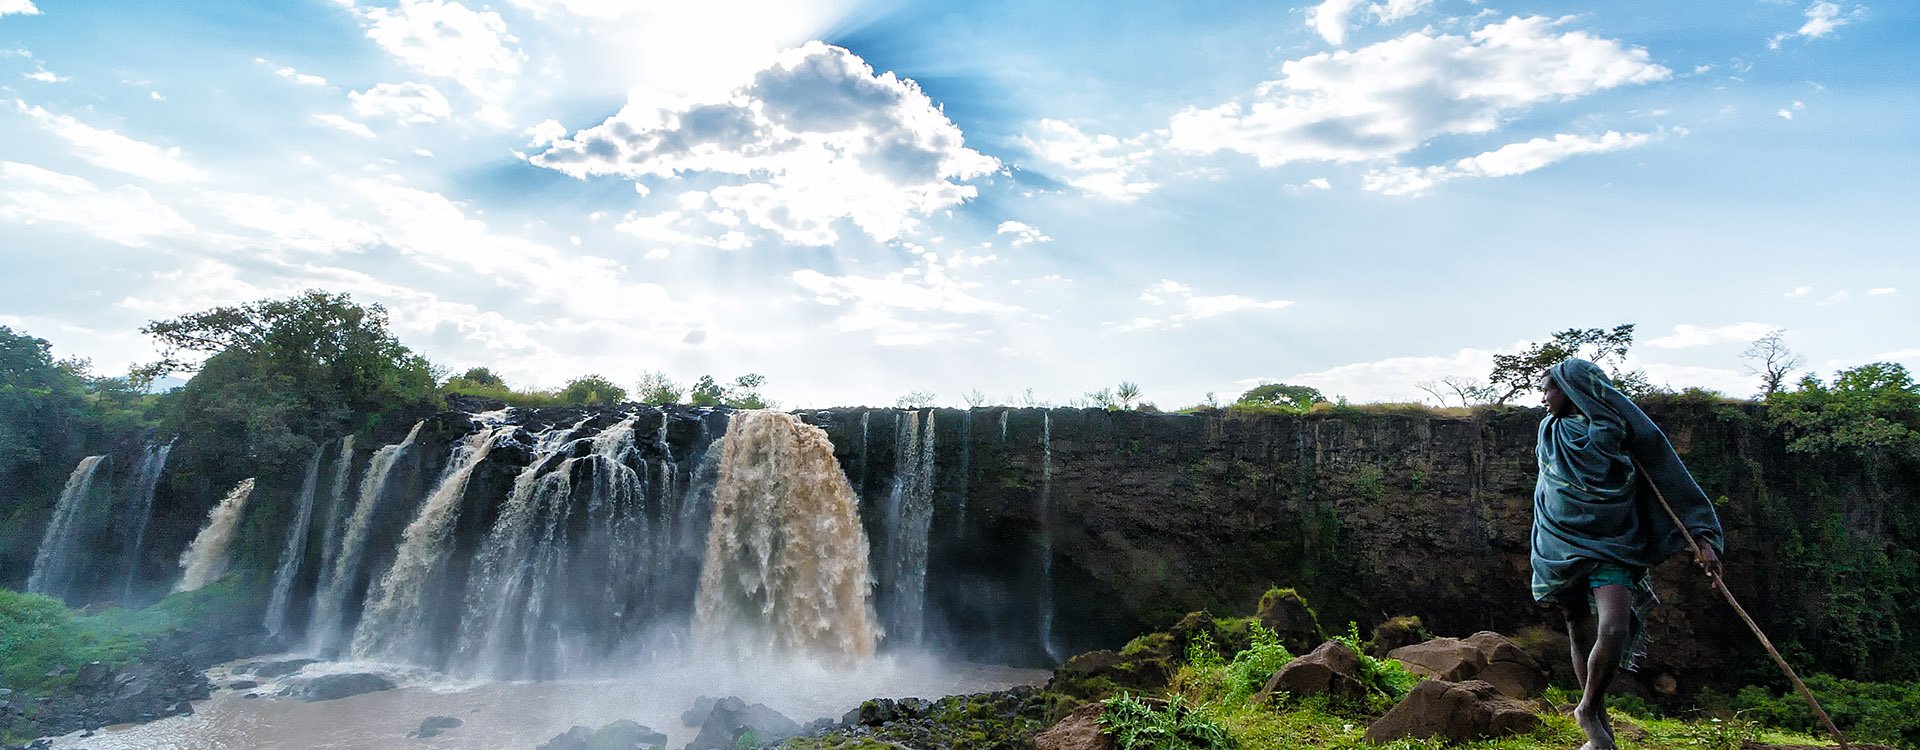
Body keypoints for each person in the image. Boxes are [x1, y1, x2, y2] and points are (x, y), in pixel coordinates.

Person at [1532, 358, 1724, 750]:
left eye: (1549, 389)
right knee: (1576, 626)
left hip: (1614, 542)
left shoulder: (1625, 435)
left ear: (1574, 391)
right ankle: (1599, 732)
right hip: (1559, 542)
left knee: (1614, 627)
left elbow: (1672, 476)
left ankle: (1586, 707)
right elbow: (1551, 488)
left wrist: (1702, 538)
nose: (1544, 398)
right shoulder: (1549, 431)